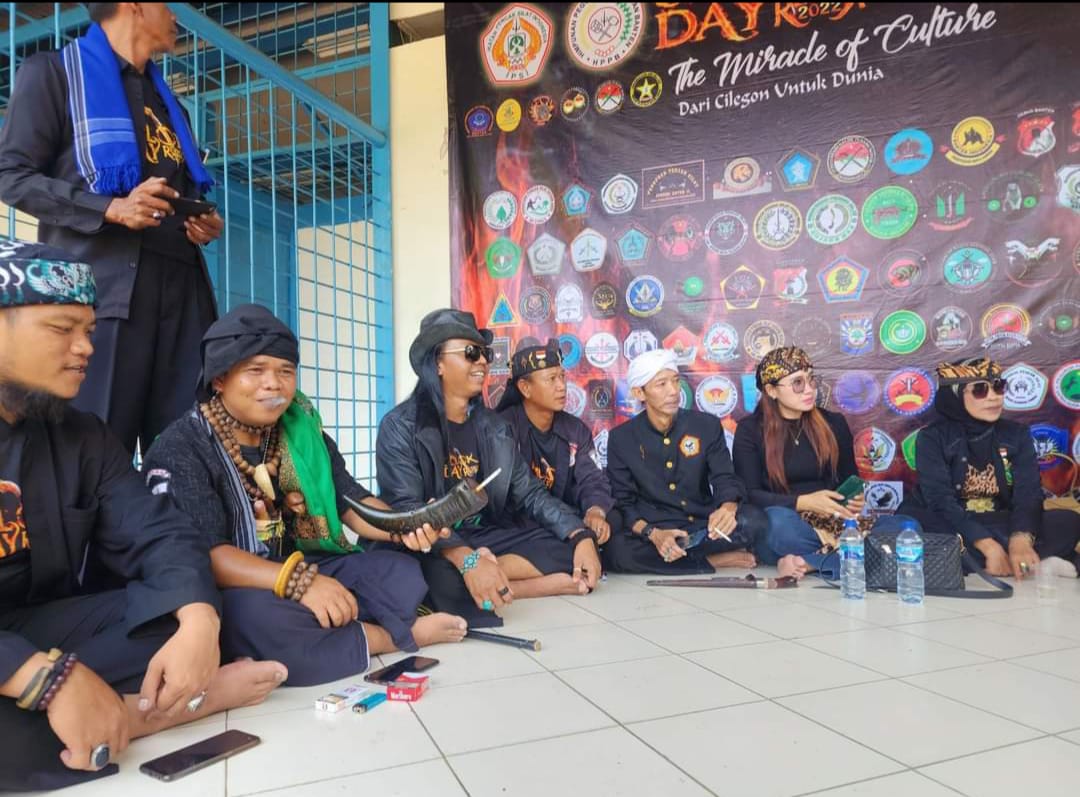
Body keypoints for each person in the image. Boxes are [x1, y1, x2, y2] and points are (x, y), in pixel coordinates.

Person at [0, 240, 283, 792]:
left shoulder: (82, 436)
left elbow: (161, 533)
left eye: (89, 330)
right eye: (62, 328)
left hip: (39, 625)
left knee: (194, 616)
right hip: (26, 653)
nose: (86, 347)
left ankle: (99, 714)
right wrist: (44, 678)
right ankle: (146, 714)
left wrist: (199, 620)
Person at [142, 305, 468, 687]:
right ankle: (391, 636)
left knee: (398, 569)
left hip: (303, 563)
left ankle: (336, 632)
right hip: (239, 584)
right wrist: (300, 582)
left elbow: (350, 500)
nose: (274, 384)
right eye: (255, 371)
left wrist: (405, 526)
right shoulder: (183, 446)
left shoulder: (301, 430)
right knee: (253, 616)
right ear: (220, 378)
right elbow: (204, 555)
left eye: (285, 371)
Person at [0, 3, 224, 455]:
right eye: (168, 5)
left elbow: (174, 192)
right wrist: (109, 209)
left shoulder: (170, 104)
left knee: (187, 450)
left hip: (184, 296)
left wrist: (203, 220)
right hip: (105, 299)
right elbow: (10, 175)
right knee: (95, 447)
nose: (177, 16)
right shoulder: (54, 74)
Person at [377, 308, 602, 624]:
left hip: (482, 537)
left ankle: (493, 578)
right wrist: (466, 560)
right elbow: (408, 509)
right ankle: (524, 586)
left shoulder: (495, 428)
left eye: (485, 353)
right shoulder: (400, 427)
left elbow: (531, 494)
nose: (483, 361)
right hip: (430, 542)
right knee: (425, 577)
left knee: (569, 546)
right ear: (437, 363)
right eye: (471, 353)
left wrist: (580, 535)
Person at [732, 346, 917, 579]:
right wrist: (804, 502)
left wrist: (853, 499)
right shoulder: (750, 431)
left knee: (907, 526)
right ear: (771, 390)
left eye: (811, 379)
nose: (809, 389)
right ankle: (855, 556)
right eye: (797, 383)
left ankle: (810, 562)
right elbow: (750, 494)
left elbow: (850, 479)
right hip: (791, 523)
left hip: (835, 522)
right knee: (776, 524)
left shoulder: (833, 423)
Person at [899, 357, 1080, 579]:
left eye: (998, 387)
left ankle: (1001, 558)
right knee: (914, 531)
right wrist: (987, 544)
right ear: (955, 395)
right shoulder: (932, 437)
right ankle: (1031, 561)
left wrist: (1021, 539)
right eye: (980, 390)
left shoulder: (1016, 434)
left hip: (999, 519)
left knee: (1067, 521)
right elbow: (939, 501)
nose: (994, 396)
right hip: (950, 523)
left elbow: (1028, 494)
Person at [605, 348, 766, 574]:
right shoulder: (622, 438)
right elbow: (624, 502)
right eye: (661, 384)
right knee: (617, 551)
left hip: (702, 524)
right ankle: (712, 561)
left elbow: (725, 478)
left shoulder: (706, 425)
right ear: (639, 392)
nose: (673, 391)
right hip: (655, 529)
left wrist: (727, 508)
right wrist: (654, 534)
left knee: (754, 520)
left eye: (675, 381)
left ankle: (682, 557)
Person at [495, 339, 618, 550]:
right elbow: (516, 496)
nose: (562, 386)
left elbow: (591, 479)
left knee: (613, 521)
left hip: (566, 517)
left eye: (562, 377)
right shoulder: (502, 429)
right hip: (520, 524)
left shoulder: (575, 430)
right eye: (551, 379)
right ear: (525, 388)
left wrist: (595, 511)